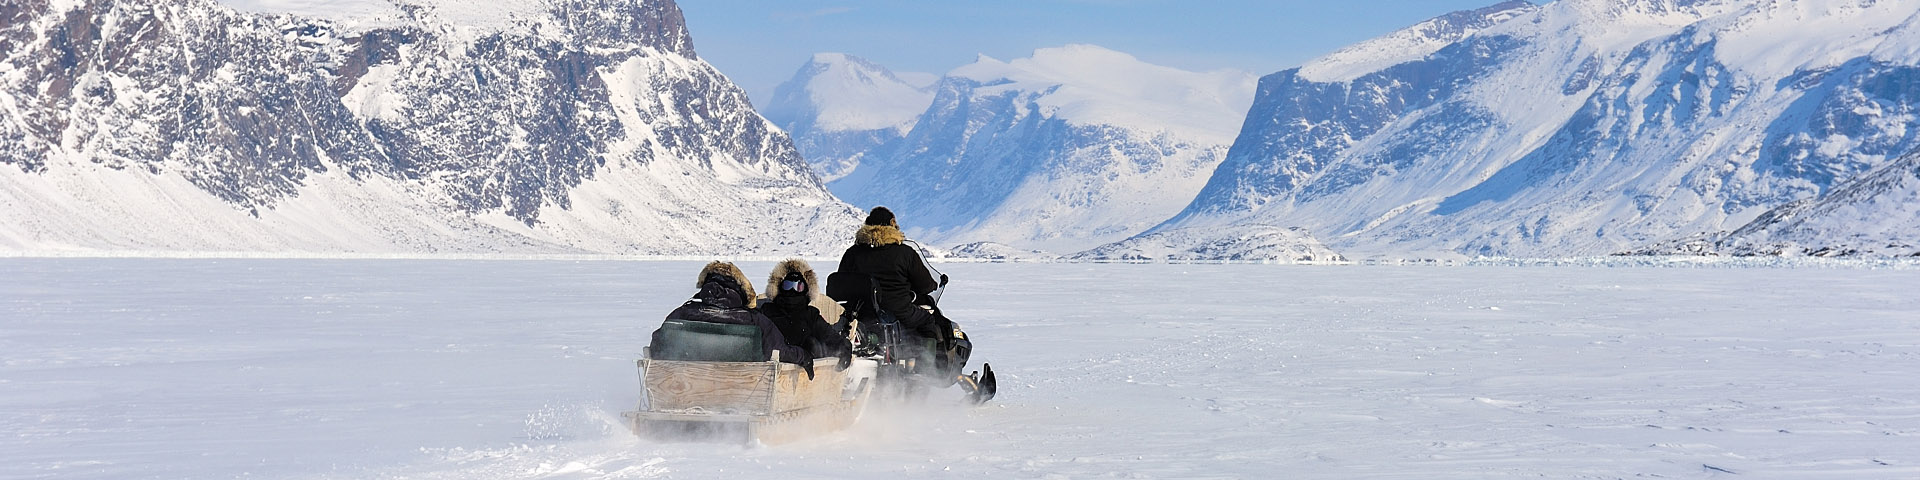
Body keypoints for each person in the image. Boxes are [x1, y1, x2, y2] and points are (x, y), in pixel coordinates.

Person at [650, 261, 812, 376]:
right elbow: (779, 351)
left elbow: (658, 345)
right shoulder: (754, 320)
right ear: (740, 289)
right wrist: (803, 356)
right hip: (746, 391)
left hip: (683, 389)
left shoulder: (682, 313)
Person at [757, 259, 853, 368]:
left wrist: (844, 348)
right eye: (788, 286)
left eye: (798, 287)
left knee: (813, 343)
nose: (792, 290)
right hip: (772, 361)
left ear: (805, 289)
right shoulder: (768, 310)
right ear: (780, 288)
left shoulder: (810, 314)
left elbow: (828, 335)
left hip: (805, 366)